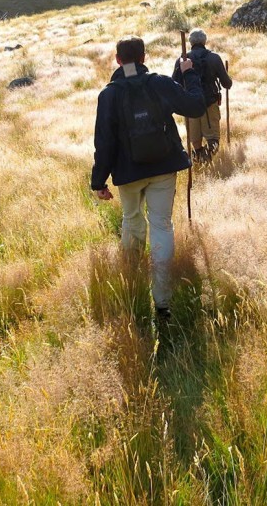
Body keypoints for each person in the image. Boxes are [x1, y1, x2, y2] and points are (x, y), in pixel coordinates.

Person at [91, 36, 206, 319]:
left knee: (132, 221)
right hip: (163, 167)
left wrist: (98, 182)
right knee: (162, 226)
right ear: (144, 57)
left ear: (118, 60)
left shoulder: (109, 95)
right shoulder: (159, 83)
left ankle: (132, 283)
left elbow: (104, 143)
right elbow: (195, 106)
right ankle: (163, 301)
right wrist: (189, 72)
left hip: (128, 173)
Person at [171, 28, 232, 163]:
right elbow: (226, 83)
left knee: (195, 139)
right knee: (213, 137)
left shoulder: (182, 60)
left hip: (190, 106)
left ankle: (200, 157)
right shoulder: (214, 58)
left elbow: (174, 84)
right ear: (205, 41)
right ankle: (208, 159)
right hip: (210, 102)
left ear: (190, 42)